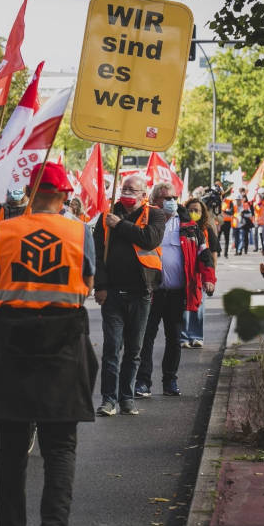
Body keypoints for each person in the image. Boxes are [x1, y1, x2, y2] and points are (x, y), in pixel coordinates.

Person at [0, 161, 97, 526]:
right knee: (60, 448)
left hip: (12, 347)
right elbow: (85, 284)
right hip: (64, 349)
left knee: (11, 449)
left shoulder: (3, 231)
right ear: (64, 195)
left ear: (31, 191)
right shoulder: (81, 232)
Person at [93, 174, 166, 417]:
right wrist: (100, 286)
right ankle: (108, 399)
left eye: (133, 190)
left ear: (144, 195)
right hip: (113, 293)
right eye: (124, 188)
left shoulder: (154, 214)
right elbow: (98, 253)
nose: (127, 193)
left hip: (140, 294)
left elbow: (150, 239)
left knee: (134, 350)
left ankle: (127, 398)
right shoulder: (106, 217)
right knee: (112, 348)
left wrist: (121, 226)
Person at [135, 184, 216, 398]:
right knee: (146, 338)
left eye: (174, 197)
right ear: (154, 200)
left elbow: (204, 253)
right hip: (151, 293)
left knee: (174, 338)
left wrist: (209, 278)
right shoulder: (145, 221)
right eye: (166, 197)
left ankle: (170, 380)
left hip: (177, 293)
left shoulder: (189, 225)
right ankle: (143, 382)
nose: (171, 200)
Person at [180, 197, 220, 348]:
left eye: (196, 210)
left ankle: (196, 337)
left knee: (199, 307)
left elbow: (213, 252)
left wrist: (210, 276)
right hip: (186, 273)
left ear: (202, 212)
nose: (193, 213)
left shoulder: (207, 230)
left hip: (201, 274)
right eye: (190, 210)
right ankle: (184, 337)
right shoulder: (181, 228)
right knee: (184, 307)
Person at [220, 189, 235, 258]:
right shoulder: (218, 202)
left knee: (227, 238)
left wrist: (224, 211)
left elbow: (232, 212)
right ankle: (218, 252)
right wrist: (226, 211)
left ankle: (226, 253)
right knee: (217, 238)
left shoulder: (229, 202)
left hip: (227, 222)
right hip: (219, 222)